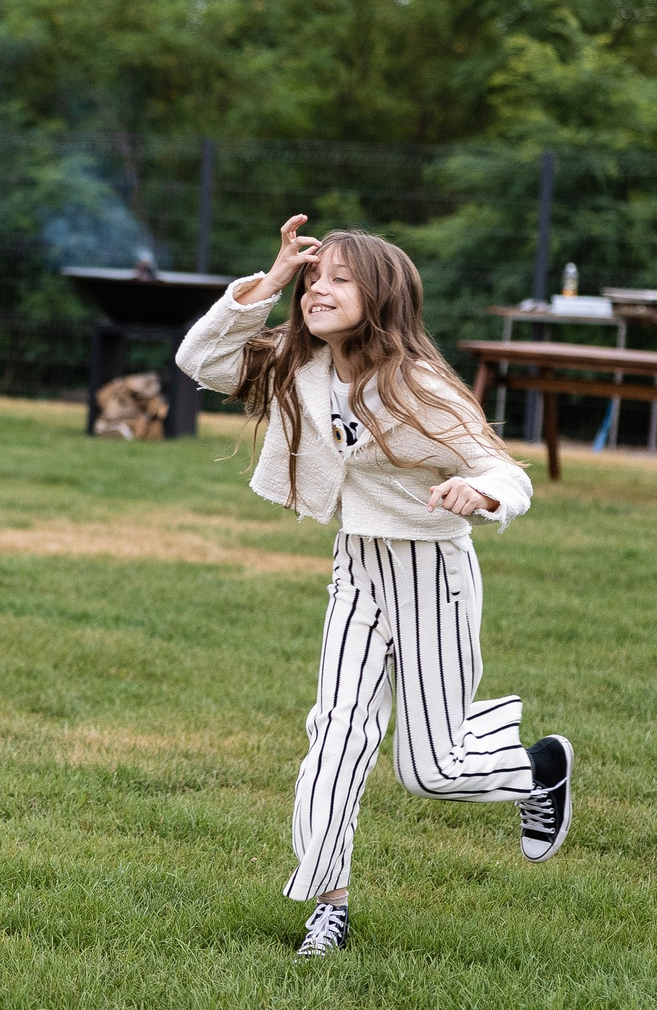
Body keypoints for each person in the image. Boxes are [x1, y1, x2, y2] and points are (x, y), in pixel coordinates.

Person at [176, 216, 573, 959]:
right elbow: (198, 357)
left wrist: (479, 496)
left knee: (431, 769)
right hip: (356, 568)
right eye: (312, 279)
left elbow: (504, 471)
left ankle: (538, 769)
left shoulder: (419, 384)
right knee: (335, 737)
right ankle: (329, 903)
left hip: (432, 573)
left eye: (337, 280)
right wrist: (269, 280)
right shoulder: (303, 366)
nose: (316, 291)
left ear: (380, 296)